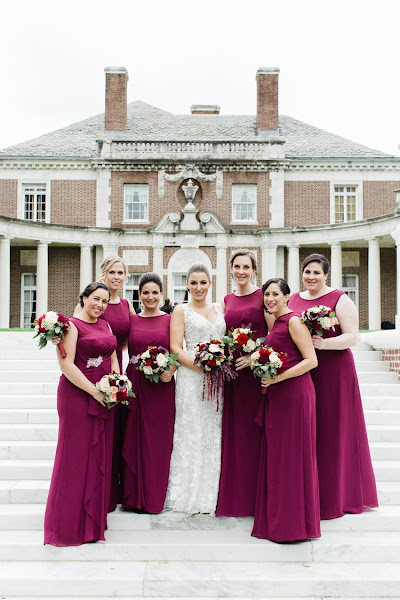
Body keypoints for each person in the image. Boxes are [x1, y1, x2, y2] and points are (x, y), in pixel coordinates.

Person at [288, 253, 378, 519]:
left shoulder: (339, 298)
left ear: (326, 274)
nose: (311, 277)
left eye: (317, 272)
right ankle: (309, 494)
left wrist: (324, 343)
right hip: (305, 371)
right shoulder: (293, 300)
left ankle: (338, 496)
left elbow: (352, 337)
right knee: (309, 430)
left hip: (334, 373)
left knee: (333, 430)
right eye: (307, 272)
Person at [44, 282, 119, 546]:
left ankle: (91, 525)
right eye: (95, 299)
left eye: (104, 301)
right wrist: (95, 392)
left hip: (103, 396)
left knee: (96, 459)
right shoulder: (71, 326)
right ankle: (67, 527)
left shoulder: (106, 326)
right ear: (84, 298)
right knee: (74, 460)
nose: (100, 305)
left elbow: (113, 358)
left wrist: (117, 385)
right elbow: (66, 366)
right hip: (77, 396)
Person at [252, 278, 320, 542]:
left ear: (287, 297)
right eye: (267, 294)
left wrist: (278, 378)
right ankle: (280, 522)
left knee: (292, 458)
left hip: (294, 395)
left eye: (275, 294)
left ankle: (295, 526)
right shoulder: (277, 321)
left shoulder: (293, 321)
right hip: (278, 395)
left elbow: (311, 360)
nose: (270, 299)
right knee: (280, 458)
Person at [72, 256, 134, 512]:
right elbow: (76, 330)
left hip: (115, 366)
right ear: (104, 274)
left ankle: (115, 490)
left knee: (117, 430)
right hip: (91, 368)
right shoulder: (95, 299)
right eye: (112, 272)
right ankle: (97, 492)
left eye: (120, 272)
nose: (116, 277)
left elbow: (133, 334)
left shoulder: (127, 305)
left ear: (125, 276)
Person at [164, 264, 225, 515]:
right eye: (193, 283)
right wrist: (202, 368)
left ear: (210, 283)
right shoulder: (181, 311)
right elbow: (176, 348)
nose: (198, 287)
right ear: (187, 285)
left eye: (203, 282)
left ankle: (213, 493)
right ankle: (186, 494)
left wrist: (218, 366)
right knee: (191, 430)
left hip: (217, 381)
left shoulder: (220, 308)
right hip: (191, 378)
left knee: (213, 432)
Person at [216, 250, 268, 517]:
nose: (241, 271)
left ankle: (257, 497)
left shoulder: (263, 297)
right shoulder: (227, 299)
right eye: (237, 266)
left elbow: (274, 333)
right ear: (231, 269)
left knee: (254, 432)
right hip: (233, 376)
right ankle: (237, 497)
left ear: (254, 270)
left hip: (255, 374)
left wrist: (254, 357)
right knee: (235, 434)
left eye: (246, 267)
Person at [122, 273, 176, 513]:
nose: (150, 297)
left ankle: (154, 498)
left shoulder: (170, 319)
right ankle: (133, 497)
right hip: (134, 384)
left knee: (158, 441)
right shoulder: (132, 320)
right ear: (139, 295)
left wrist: (171, 370)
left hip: (160, 386)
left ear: (161, 294)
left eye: (155, 292)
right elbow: (112, 342)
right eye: (146, 292)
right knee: (133, 438)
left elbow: (178, 350)